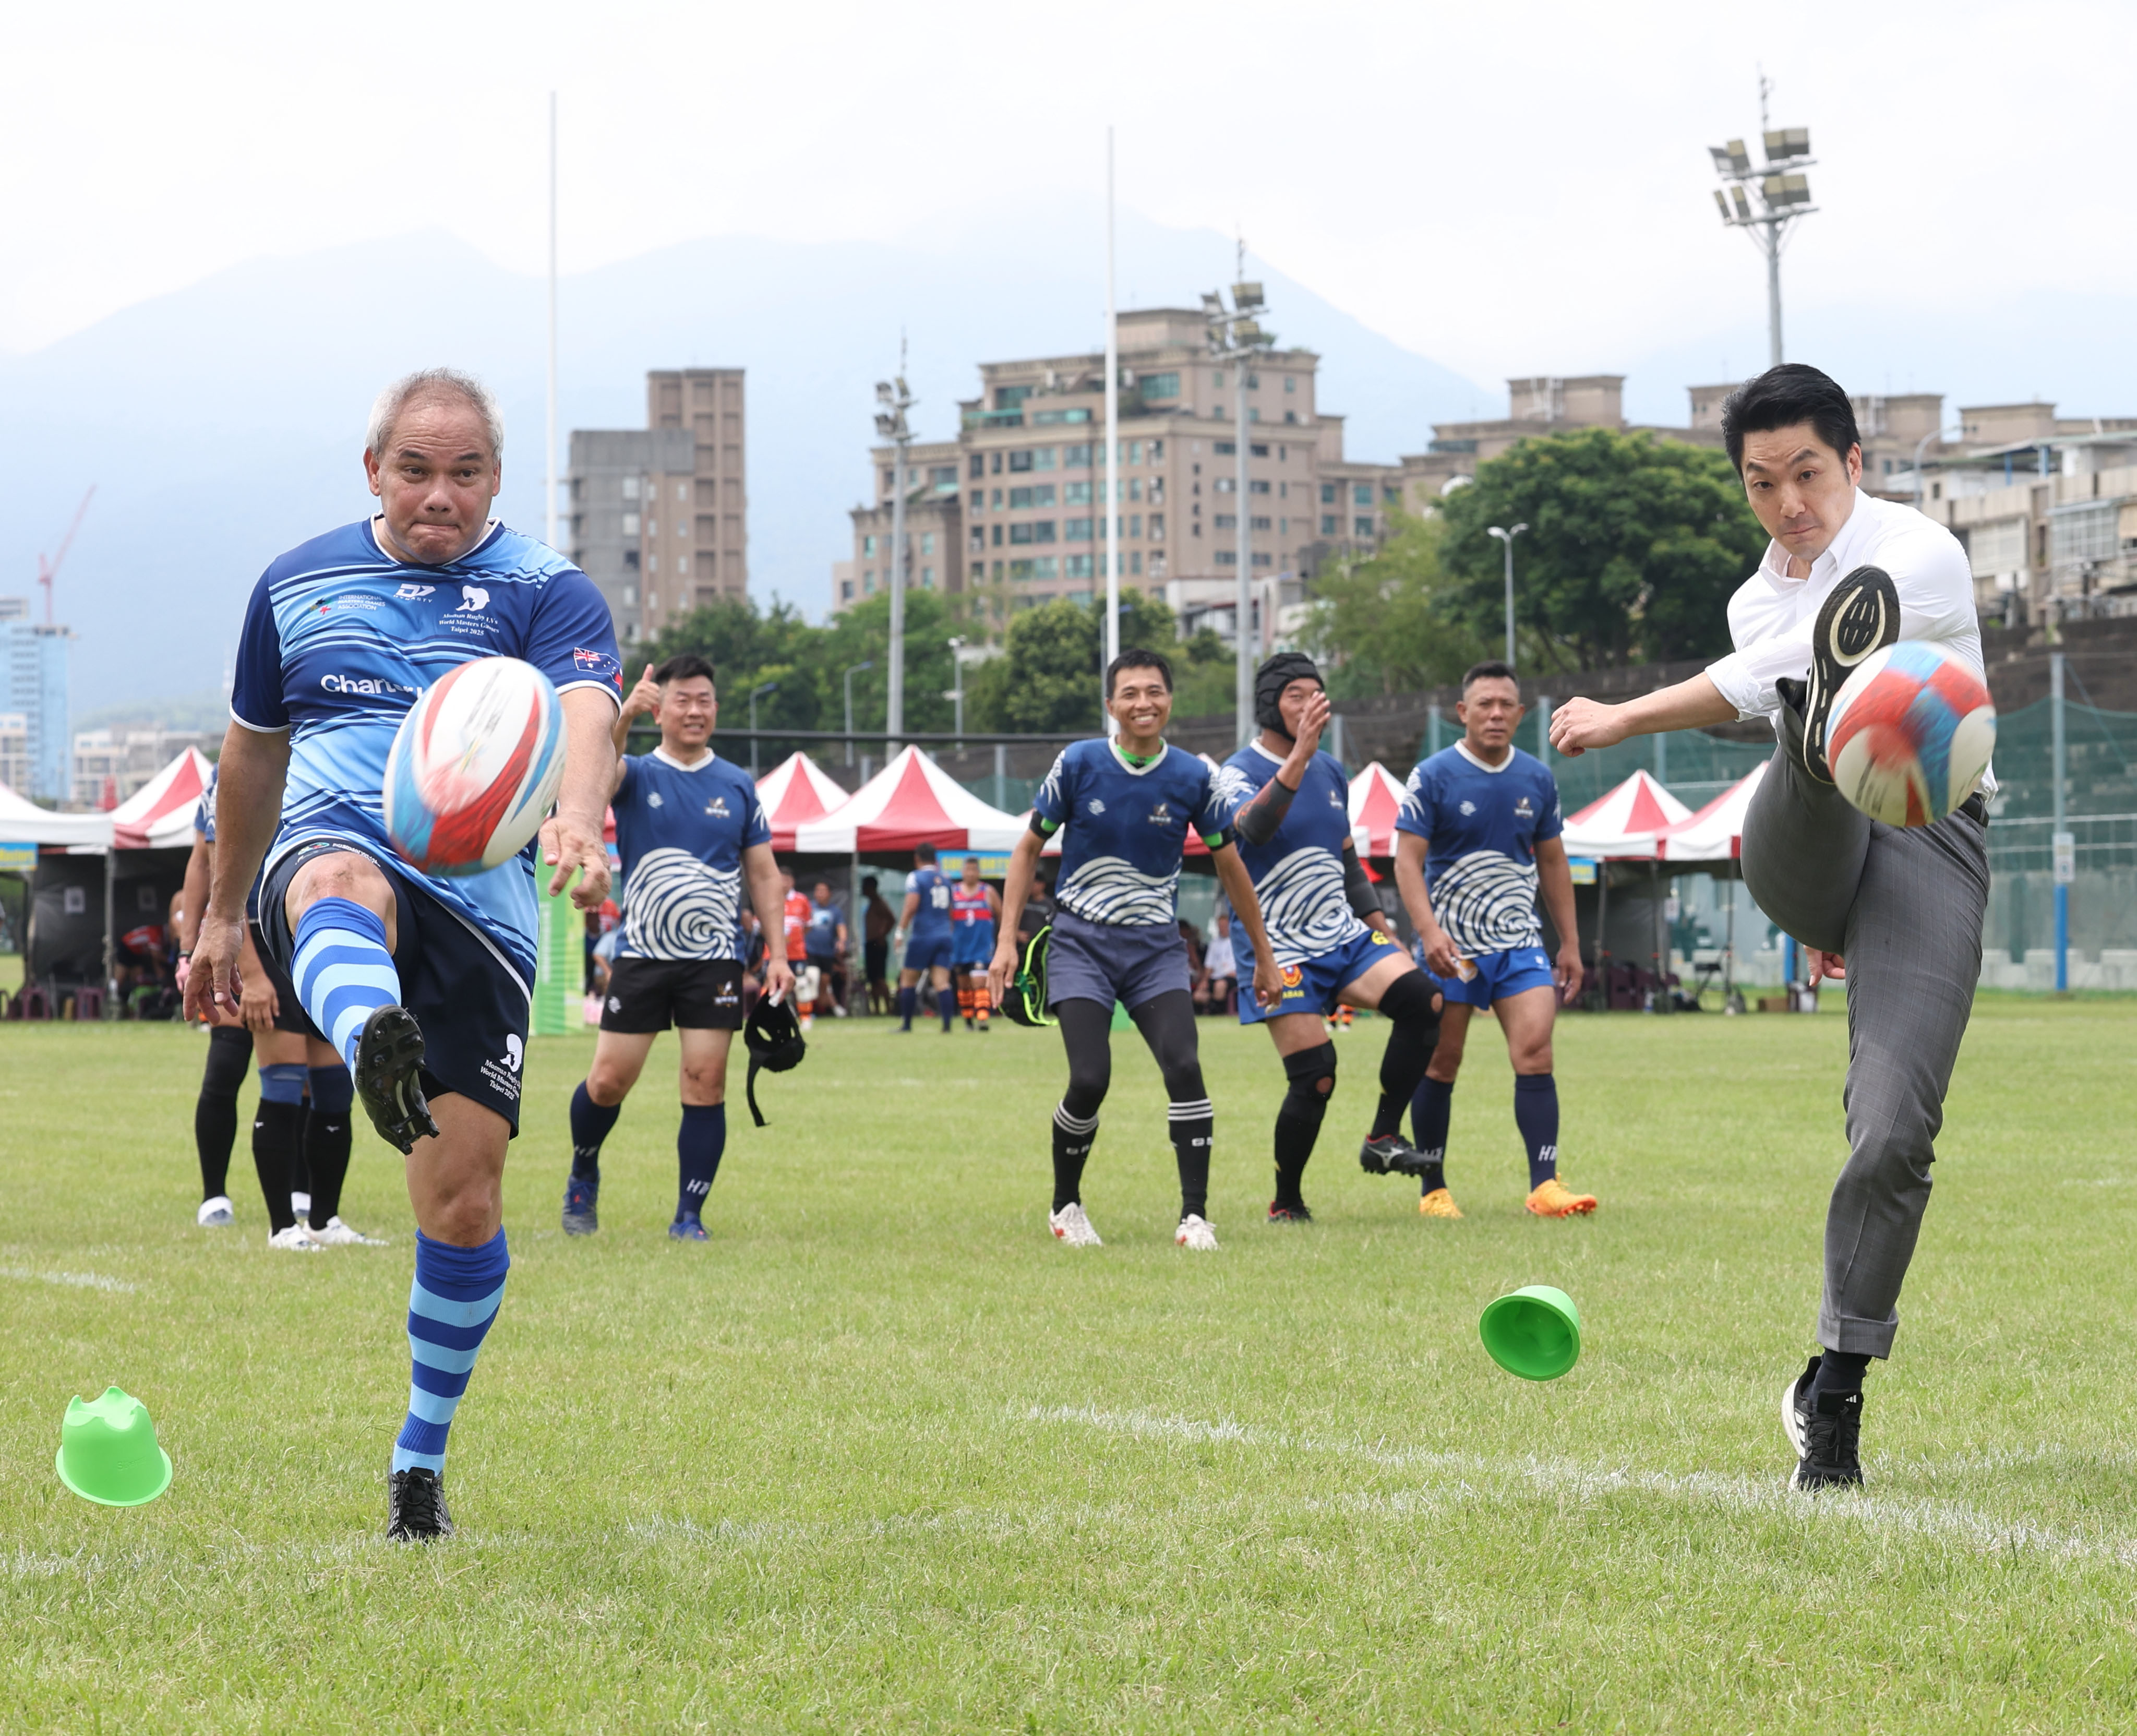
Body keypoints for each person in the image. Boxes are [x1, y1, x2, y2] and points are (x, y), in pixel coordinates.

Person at [185, 367, 623, 1542]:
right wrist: (224, 916)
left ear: (494, 478)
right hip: (332, 849)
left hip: (482, 908)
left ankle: (418, 1464)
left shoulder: (547, 588)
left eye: (465, 472)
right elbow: (250, 757)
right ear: (373, 469)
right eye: (417, 469)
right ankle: (372, 1026)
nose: (441, 494)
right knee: (336, 879)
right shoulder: (294, 583)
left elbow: (589, 714)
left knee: (465, 1203)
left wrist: (576, 811)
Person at [1548, 363, 1991, 1494]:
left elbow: (1766, 668)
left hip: (1926, 833)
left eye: (1804, 473)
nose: (1787, 502)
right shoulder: (1756, 600)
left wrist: (1629, 713)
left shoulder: (1919, 554)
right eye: (1759, 484)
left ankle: (1831, 1389)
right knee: (1800, 715)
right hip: (1801, 835)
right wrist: (1773, 704)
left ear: (1852, 461)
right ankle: (1814, 723)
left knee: (1892, 1127)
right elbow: (1763, 666)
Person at [988, 648, 1282, 1250]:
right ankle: (1065, 1205)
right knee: (1091, 1077)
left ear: (1169, 701)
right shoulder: (1078, 763)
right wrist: (1005, 943)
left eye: (1154, 692)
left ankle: (1194, 1217)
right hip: (1080, 946)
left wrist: (1266, 956)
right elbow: (1025, 851)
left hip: (1155, 950)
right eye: (1129, 694)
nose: (1142, 703)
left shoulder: (1193, 776)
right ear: (1110, 706)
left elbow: (1231, 866)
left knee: (1185, 1066)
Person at [561, 655, 794, 1243]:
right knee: (609, 1082)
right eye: (683, 700)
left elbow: (764, 876)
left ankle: (689, 1215)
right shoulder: (637, 771)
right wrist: (622, 721)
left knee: (704, 1081)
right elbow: (597, 779)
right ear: (659, 707)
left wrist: (780, 953)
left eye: (705, 700)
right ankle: (583, 1167)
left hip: (715, 958)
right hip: (640, 952)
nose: (695, 710)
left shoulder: (738, 784)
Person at [1218, 653, 1447, 1223]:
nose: (1308, 705)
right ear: (1269, 704)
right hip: (1278, 945)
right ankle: (1286, 1201)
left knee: (1425, 1001)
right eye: (1295, 695)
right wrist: (1297, 757)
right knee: (1316, 1075)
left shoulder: (1327, 771)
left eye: (1315, 695)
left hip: (1341, 935)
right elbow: (1251, 830)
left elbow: (1347, 862)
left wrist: (1382, 933)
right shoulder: (1235, 771)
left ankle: (1382, 1136)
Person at [1395, 659, 1590, 1221]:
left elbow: (1553, 862)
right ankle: (1432, 1187)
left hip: (1519, 945)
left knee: (1536, 1051)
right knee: (1442, 1061)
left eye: (1507, 705)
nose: (1496, 714)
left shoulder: (1537, 778)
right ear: (1463, 712)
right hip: (1450, 949)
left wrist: (1570, 943)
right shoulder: (1432, 776)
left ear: (1521, 714)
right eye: (1485, 704)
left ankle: (1544, 1185)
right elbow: (1406, 862)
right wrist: (1428, 932)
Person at [177, 763, 376, 1247]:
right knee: (277, 1082)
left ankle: (325, 1219)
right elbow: (219, 870)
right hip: (262, 946)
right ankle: (280, 1225)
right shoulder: (242, 770)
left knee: (333, 1089)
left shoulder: (324, 756)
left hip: (312, 935)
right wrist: (252, 970)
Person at [897, 845, 957, 1033]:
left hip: (923, 936)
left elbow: (911, 906)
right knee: (942, 982)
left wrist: (900, 931)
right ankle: (947, 1026)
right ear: (935, 859)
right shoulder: (946, 880)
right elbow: (951, 911)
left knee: (908, 981)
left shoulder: (916, 877)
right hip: (944, 935)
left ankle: (907, 1025)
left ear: (917, 858)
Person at [949, 855, 1001, 1031]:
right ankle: (968, 1020)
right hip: (960, 947)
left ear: (979, 873)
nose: (970, 873)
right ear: (962, 872)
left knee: (980, 982)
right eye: (967, 870)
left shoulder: (988, 892)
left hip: (981, 947)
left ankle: (983, 1019)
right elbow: (948, 920)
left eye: (974, 870)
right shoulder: (953, 892)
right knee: (964, 986)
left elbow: (1001, 914)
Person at [804, 881, 849, 1018]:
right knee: (812, 977)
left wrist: (842, 941)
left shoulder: (835, 911)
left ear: (830, 894)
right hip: (810, 951)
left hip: (827, 953)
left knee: (824, 981)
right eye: (818, 890)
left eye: (823, 891)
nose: (820, 893)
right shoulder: (809, 907)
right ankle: (809, 1010)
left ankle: (822, 1008)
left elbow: (841, 928)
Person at [861, 876, 894, 1014]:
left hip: (877, 944)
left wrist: (882, 935)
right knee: (873, 978)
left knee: (880, 978)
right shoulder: (871, 904)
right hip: (870, 943)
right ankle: (876, 1010)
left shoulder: (880, 903)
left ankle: (888, 1008)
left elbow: (891, 919)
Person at [1202, 912, 1239, 1016]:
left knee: (1220, 985)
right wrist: (1204, 980)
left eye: (1224, 926)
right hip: (1216, 977)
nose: (1222, 928)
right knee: (1198, 995)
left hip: (1233, 977)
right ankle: (1210, 1009)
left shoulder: (1237, 942)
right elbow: (1209, 965)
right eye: (1220, 926)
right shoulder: (1214, 943)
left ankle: (1219, 1012)